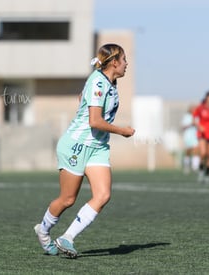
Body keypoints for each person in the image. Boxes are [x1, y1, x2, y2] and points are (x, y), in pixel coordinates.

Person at [34, 44, 135, 258]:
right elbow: (95, 121)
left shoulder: (109, 81)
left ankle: (66, 238)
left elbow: (83, 100)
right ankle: (43, 231)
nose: (127, 64)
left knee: (103, 195)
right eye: (124, 59)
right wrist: (122, 131)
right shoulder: (98, 81)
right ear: (114, 62)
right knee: (68, 199)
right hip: (77, 145)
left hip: (97, 148)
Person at [181, 105, 200, 174]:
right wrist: (191, 124)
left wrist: (197, 125)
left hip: (195, 136)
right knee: (188, 152)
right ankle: (186, 166)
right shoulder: (187, 117)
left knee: (196, 151)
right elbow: (183, 127)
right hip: (188, 137)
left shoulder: (197, 117)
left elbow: (200, 126)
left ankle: (195, 167)